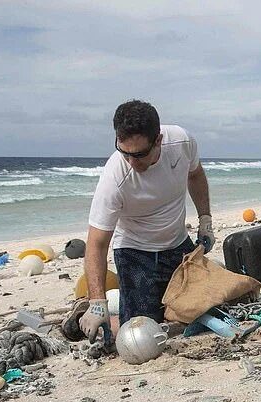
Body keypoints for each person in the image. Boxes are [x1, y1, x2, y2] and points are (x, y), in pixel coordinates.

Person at [79, 100, 215, 341]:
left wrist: (205, 220)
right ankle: (88, 318)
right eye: (125, 152)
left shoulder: (182, 142)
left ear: (158, 140)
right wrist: (97, 302)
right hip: (135, 252)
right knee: (142, 333)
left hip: (178, 244)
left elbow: (195, 175)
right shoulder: (114, 179)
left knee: (201, 317)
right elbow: (96, 243)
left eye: (140, 154)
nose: (132, 162)